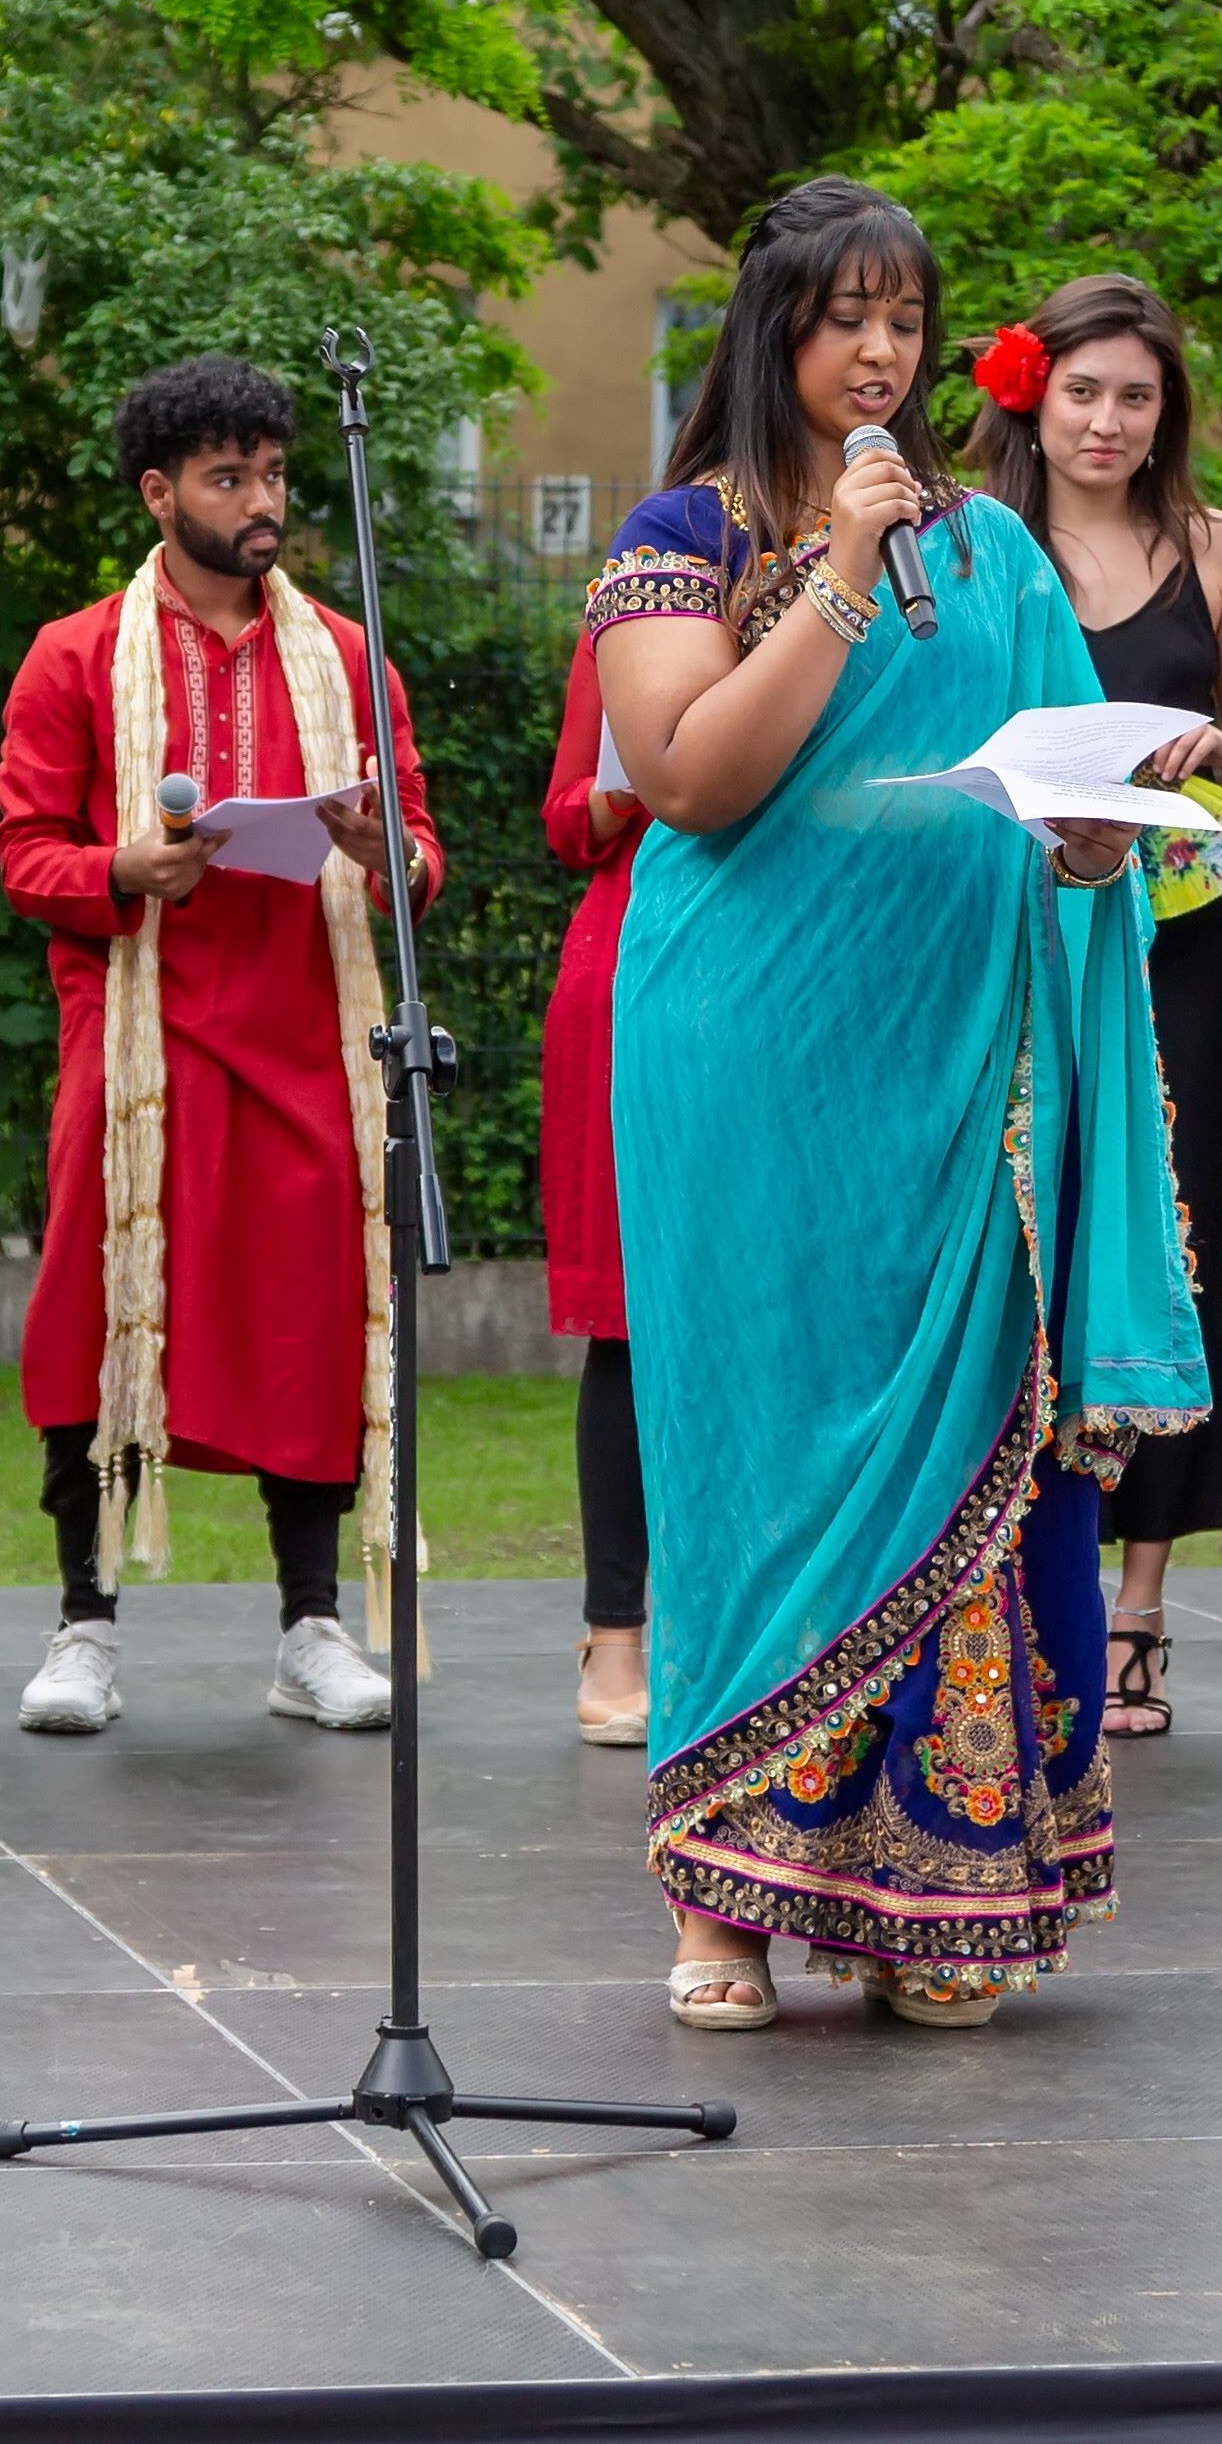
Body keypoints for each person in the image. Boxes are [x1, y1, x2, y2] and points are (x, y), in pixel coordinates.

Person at [590, 180, 1206, 2032]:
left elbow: (1061, 794)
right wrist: (838, 572)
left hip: (952, 1073)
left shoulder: (995, 554)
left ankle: (929, 1892)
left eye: (906, 320)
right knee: (747, 1451)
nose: (880, 353)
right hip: (741, 1056)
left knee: (963, 1452)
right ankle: (719, 1905)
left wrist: (1091, 844)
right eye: (844, 317)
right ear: (772, 328)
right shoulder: (681, 540)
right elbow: (686, 778)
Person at [0, 353, 443, 1740]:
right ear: (159, 492)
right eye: (227, 477)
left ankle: (310, 1627)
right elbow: (25, 854)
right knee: (91, 1312)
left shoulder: (348, 656)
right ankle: (83, 1627)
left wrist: (380, 850)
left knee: (309, 1321)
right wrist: (122, 868)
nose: (262, 502)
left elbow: (419, 854)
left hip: (307, 1034)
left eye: (274, 475)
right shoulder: (76, 654)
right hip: (135, 1040)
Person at [962, 275, 1222, 1741]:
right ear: (1030, 394)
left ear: (1168, 411)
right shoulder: (972, 545)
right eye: (1081, 391)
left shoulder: (1218, 548)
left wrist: (1212, 748)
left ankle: (1140, 1604)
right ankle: (1011, 1584)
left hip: (1178, 943)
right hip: (1008, 935)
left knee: (1167, 1243)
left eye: (1134, 396)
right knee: (1014, 1246)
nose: (1105, 421)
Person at [538, 622, 651, 1749]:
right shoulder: (637, 600)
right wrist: (634, 784)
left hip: (803, 960)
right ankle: (613, 1630)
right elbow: (568, 815)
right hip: (636, 960)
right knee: (629, 1323)